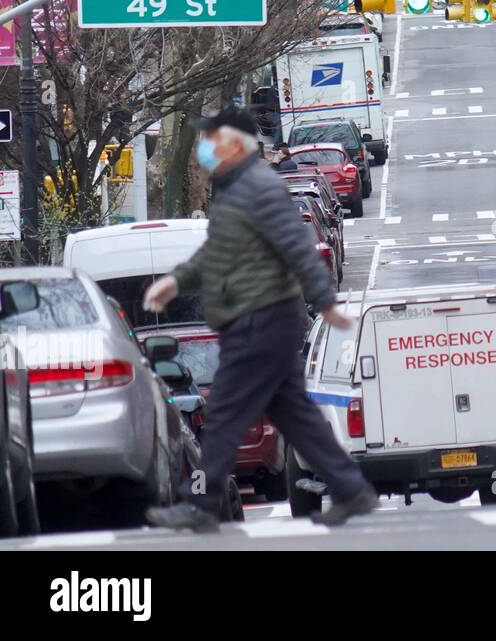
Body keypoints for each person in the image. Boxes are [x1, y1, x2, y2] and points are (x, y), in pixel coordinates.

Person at [141, 106, 376, 532]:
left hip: (261, 317)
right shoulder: (234, 189)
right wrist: (175, 282)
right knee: (293, 413)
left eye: (211, 139)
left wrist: (325, 301)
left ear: (233, 143)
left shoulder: (258, 187)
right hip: (262, 318)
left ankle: (201, 504)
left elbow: (296, 244)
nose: (205, 148)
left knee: (226, 413)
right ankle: (351, 488)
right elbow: (216, 253)